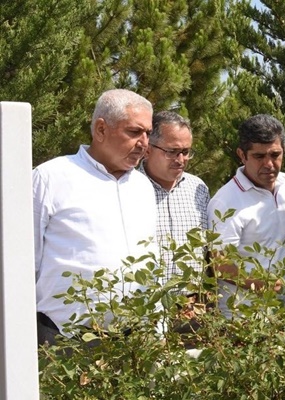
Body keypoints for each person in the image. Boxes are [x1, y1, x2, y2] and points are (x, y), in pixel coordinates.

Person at [33, 89, 157, 345]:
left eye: (148, 133)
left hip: (133, 340)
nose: (144, 143)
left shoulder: (143, 187)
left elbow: (150, 258)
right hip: (65, 339)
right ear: (101, 129)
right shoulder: (51, 178)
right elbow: (24, 263)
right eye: (134, 132)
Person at [207, 114, 285, 318]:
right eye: (259, 156)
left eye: (275, 155)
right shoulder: (226, 201)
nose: (269, 164)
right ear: (242, 155)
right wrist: (261, 284)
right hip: (244, 316)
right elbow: (220, 264)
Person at [141, 111, 209, 288]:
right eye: (172, 151)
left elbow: (209, 249)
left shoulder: (198, 189)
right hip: (142, 305)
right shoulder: (128, 187)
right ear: (148, 149)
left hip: (192, 305)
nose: (181, 160)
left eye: (185, 152)